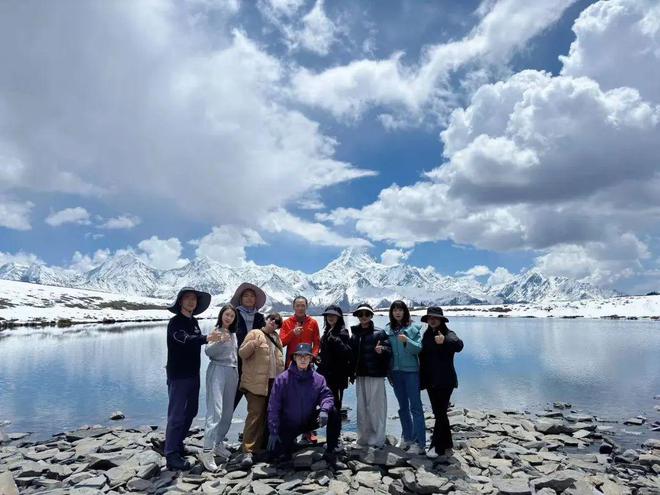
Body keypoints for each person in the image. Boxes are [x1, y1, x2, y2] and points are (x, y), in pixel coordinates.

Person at [164, 287, 222, 471]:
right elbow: (184, 339)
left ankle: (178, 443)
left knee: (191, 411)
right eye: (187, 298)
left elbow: (194, 338)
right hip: (178, 375)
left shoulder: (193, 321)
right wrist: (206, 338)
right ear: (180, 302)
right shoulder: (175, 323)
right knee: (176, 414)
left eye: (194, 299)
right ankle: (171, 454)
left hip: (192, 374)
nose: (191, 301)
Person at [267, 343, 335, 461]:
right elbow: (273, 407)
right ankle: (288, 446)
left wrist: (324, 410)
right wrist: (273, 430)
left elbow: (327, 396)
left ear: (310, 359)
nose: (303, 359)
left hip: (308, 421)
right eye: (299, 356)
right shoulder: (282, 379)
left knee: (333, 412)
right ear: (294, 358)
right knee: (276, 456)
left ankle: (331, 449)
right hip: (289, 425)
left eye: (306, 356)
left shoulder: (319, 379)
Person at [238, 312, 285, 467]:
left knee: (268, 415)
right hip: (255, 383)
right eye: (271, 319)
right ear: (266, 320)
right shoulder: (254, 333)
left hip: (273, 383)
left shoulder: (277, 338)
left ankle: (262, 448)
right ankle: (248, 451)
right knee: (255, 415)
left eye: (277, 322)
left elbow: (280, 363)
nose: (273, 322)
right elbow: (242, 353)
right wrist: (253, 343)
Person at [419, 307, 464, 458]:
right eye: (430, 318)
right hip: (431, 381)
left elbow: (459, 345)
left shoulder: (448, 334)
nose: (432, 320)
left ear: (441, 320)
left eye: (435, 318)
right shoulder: (426, 335)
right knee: (439, 413)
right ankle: (447, 444)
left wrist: (444, 341)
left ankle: (436, 447)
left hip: (445, 380)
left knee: (440, 413)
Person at [199, 304, 239, 472]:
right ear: (221, 315)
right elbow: (208, 352)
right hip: (217, 370)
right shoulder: (217, 331)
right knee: (216, 411)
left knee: (228, 413)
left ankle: (218, 443)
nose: (228, 318)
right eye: (226, 314)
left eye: (231, 316)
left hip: (232, 372)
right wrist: (218, 341)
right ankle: (206, 451)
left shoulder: (233, 334)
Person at [384, 300, 425, 454]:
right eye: (394, 310)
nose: (397, 312)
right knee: (403, 408)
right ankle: (407, 437)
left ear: (405, 311)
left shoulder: (413, 328)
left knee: (416, 407)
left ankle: (420, 443)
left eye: (400, 309)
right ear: (392, 313)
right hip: (395, 372)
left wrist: (407, 341)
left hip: (411, 371)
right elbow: (387, 351)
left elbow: (419, 349)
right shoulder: (388, 330)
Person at [349, 302, 392, 448]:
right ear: (357, 316)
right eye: (360, 314)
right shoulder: (354, 334)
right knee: (362, 408)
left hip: (376, 375)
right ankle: (363, 438)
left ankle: (378, 440)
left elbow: (389, 351)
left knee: (377, 408)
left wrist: (383, 350)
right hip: (360, 375)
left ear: (371, 315)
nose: (363, 317)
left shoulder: (380, 333)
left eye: (366, 314)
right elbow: (351, 356)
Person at [280, 295, 321, 443]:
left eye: (302, 305)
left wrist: (313, 357)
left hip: (308, 365)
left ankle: (308, 431)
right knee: (291, 399)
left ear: (306, 307)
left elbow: (317, 342)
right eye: (297, 305)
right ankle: (291, 432)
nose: (300, 308)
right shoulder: (287, 323)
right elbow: (281, 343)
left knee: (309, 398)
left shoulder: (313, 323)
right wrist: (292, 333)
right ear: (293, 307)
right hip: (291, 366)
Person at [316, 305, 352, 454]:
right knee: (329, 407)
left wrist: (335, 340)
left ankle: (335, 440)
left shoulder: (342, 332)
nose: (330, 318)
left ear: (339, 317)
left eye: (333, 315)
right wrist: (319, 359)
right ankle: (332, 438)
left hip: (337, 377)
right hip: (326, 376)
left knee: (335, 408)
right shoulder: (327, 332)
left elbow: (347, 353)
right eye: (328, 315)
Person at [230, 283, 267, 410]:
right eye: (246, 296)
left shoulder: (260, 318)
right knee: (230, 401)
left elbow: (266, 339)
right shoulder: (233, 315)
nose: (249, 298)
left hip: (255, 366)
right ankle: (219, 428)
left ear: (255, 300)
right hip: (235, 364)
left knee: (257, 404)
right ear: (240, 299)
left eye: (252, 296)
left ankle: (255, 430)